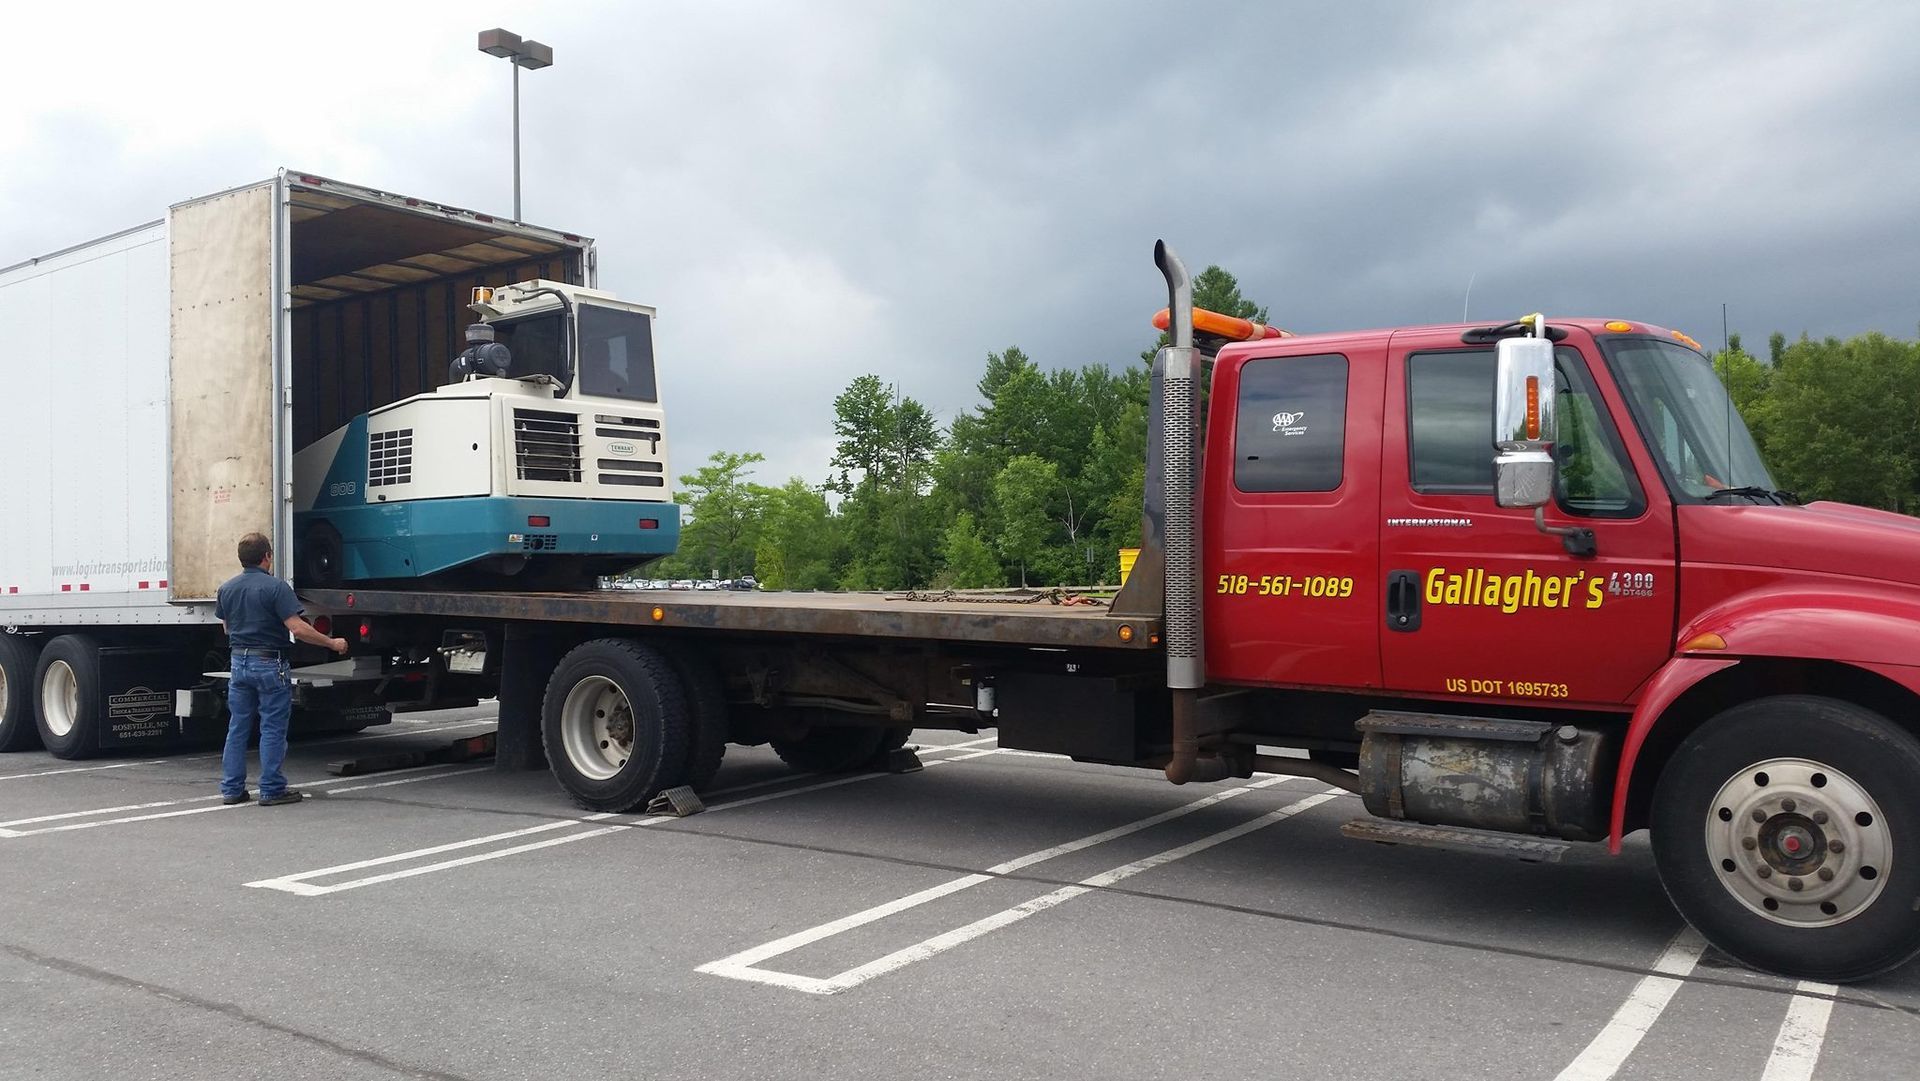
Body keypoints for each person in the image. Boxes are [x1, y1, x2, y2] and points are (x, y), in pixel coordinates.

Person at [215, 532, 347, 807]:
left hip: (239, 661)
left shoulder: (226, 588)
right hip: (268, 662)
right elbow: (297, 628)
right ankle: (272, 788)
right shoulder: (276, 588)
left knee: (237, 727)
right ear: (267, 556)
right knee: (272, 727)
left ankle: (232, 789)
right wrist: (332, 643)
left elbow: (226, 627)